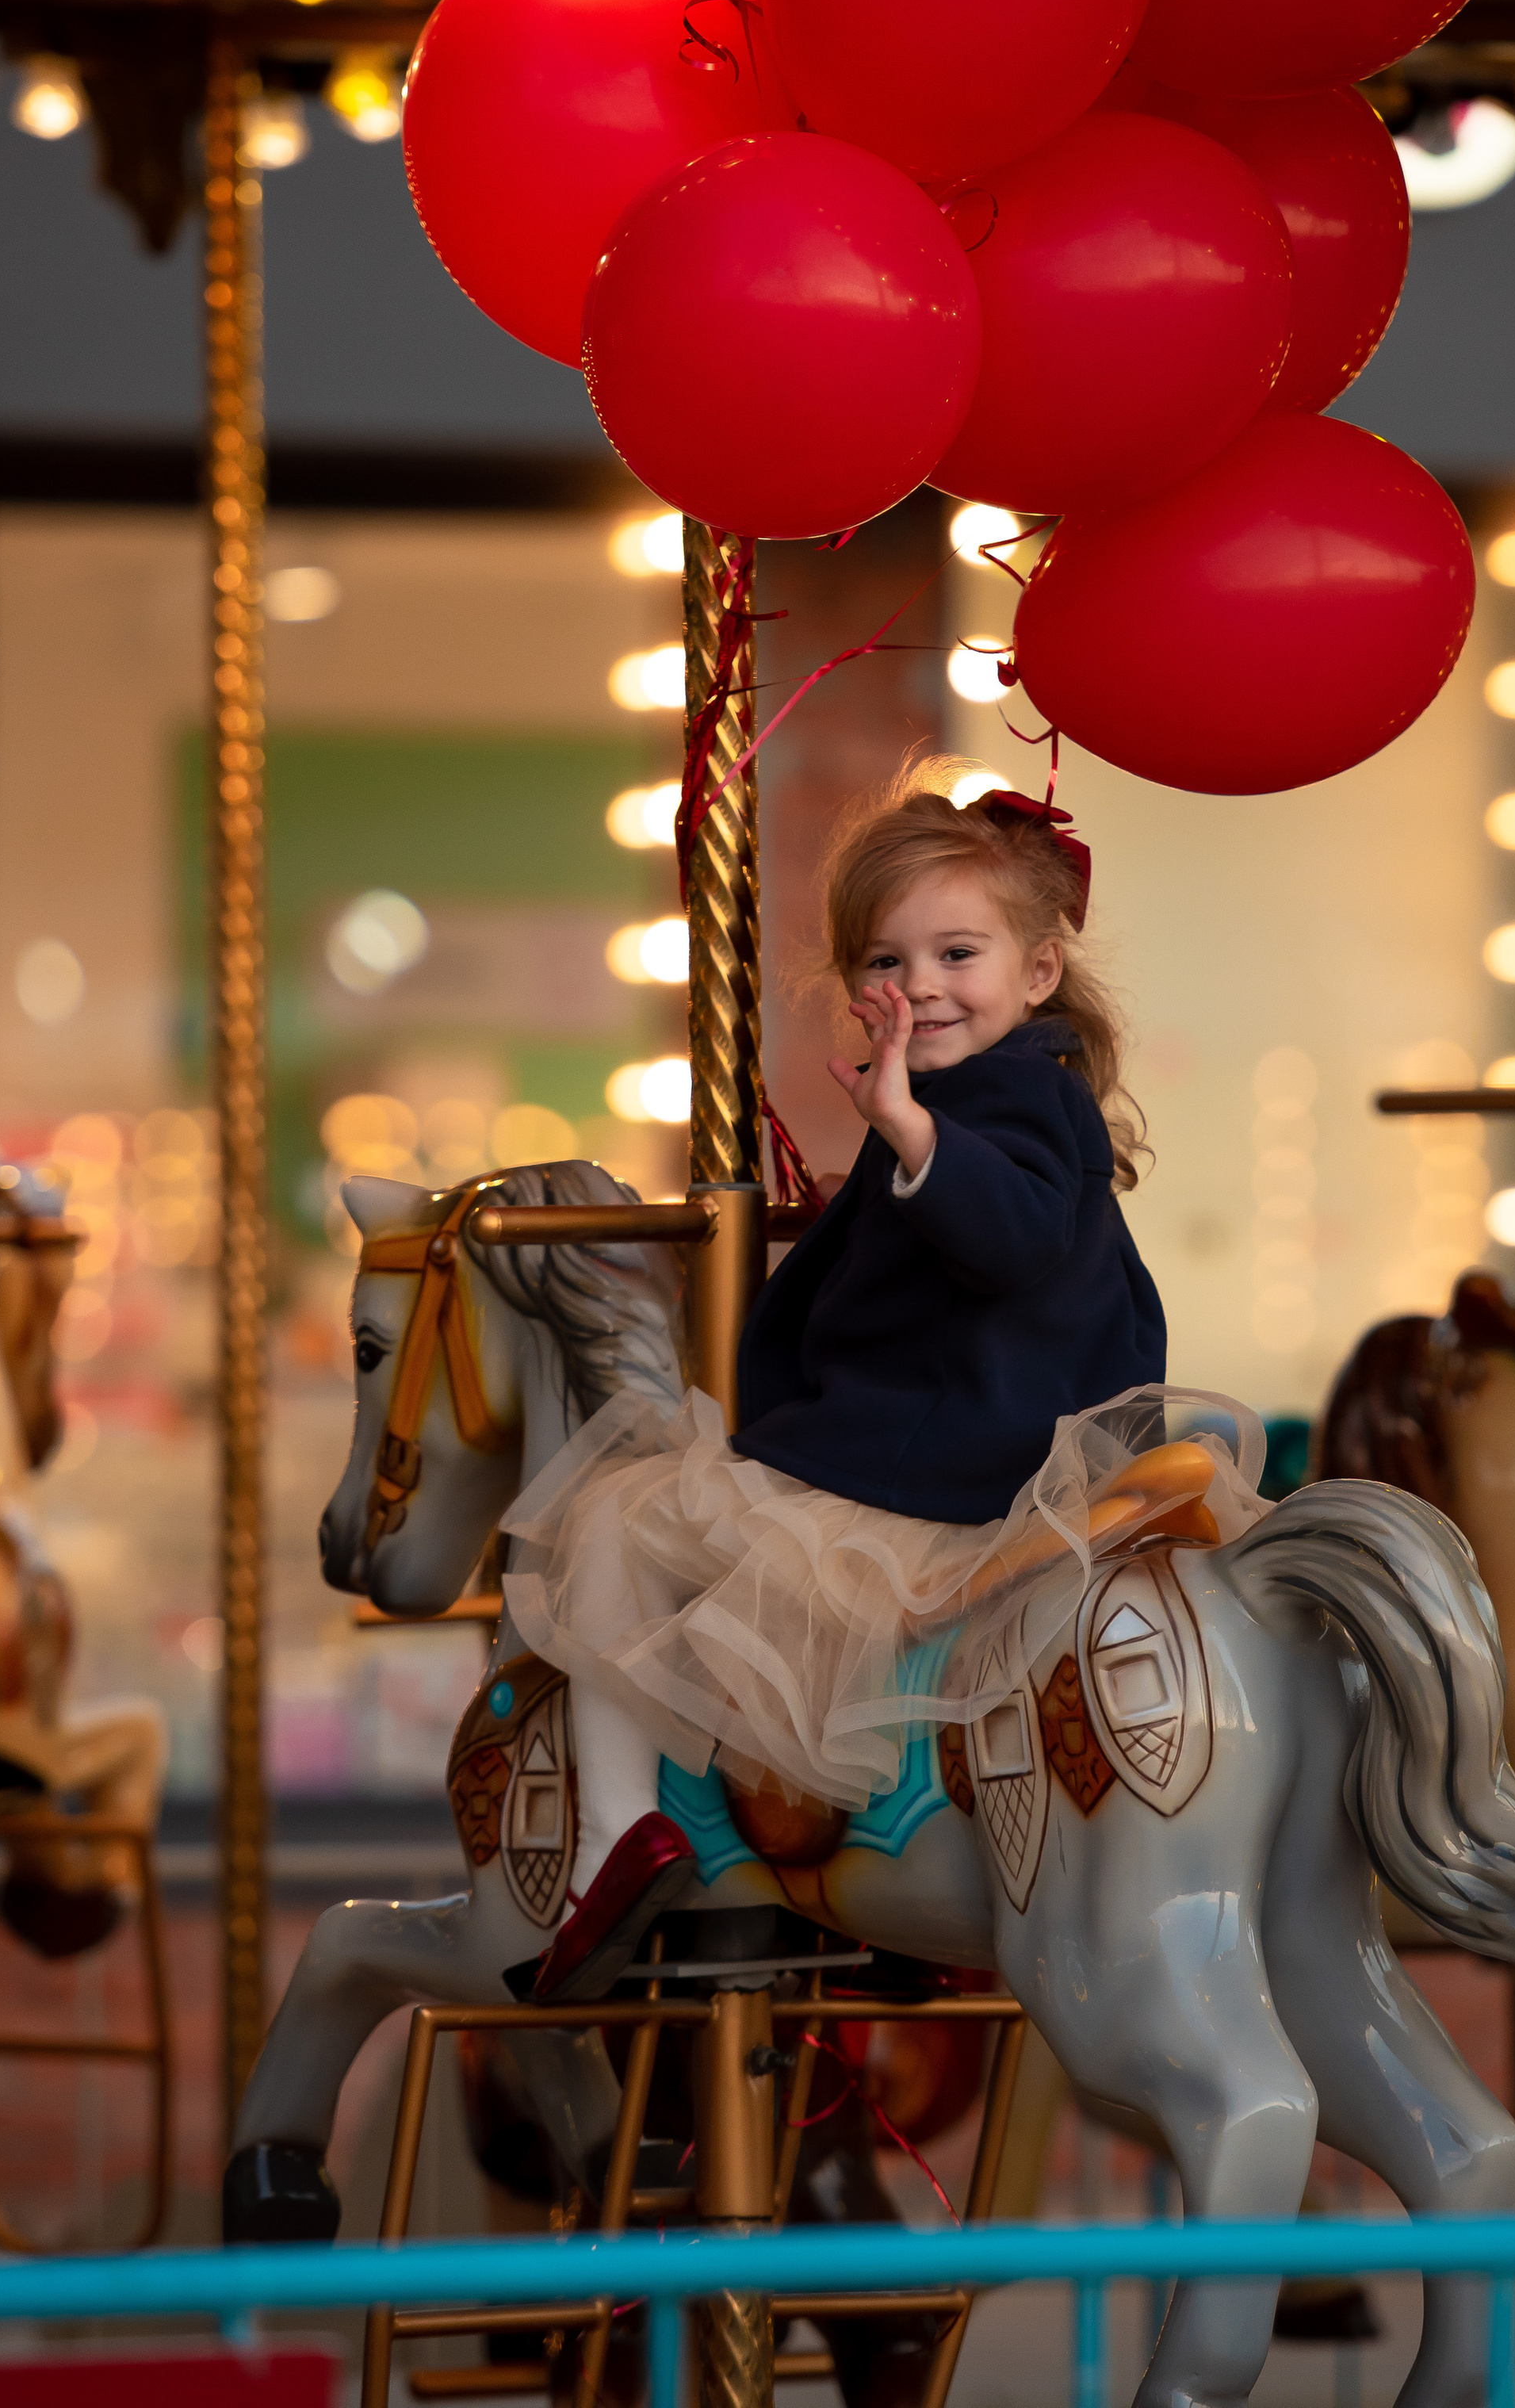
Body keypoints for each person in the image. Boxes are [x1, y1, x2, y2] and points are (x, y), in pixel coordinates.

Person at [501, 764, 1267, 2000]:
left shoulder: (1006, 1100)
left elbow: (1009, 1231)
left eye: (957, 954)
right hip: (959, 1442)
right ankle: (868, 1863)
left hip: (941, 1460)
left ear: (1037, 971)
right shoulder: (977, 1099)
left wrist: (913, 1142)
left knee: (613, 1527)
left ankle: (615, 1843)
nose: (920, 988)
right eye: (886, 963)